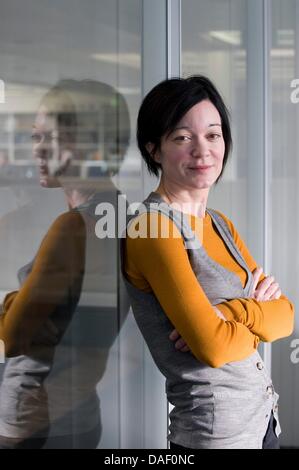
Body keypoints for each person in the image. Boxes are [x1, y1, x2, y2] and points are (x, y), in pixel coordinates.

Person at [121, 75, 295, 449]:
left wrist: (228, 313)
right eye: (182, 138)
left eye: (213, 135)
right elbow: (213, 348)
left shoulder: (219, 224)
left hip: (264, 423)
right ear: (154, 149)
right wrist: (253, 314)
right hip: (215, 436)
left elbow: (285, 317)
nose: (203, 151)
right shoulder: (153, 227)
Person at [0, 79, 130, 449]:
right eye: (35, 137)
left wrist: (13, 301)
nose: (37, 151)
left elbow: (13, 335)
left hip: (35, 420)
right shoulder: (119, 213)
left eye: (50, 139)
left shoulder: (73, 227)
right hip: (74, 409)